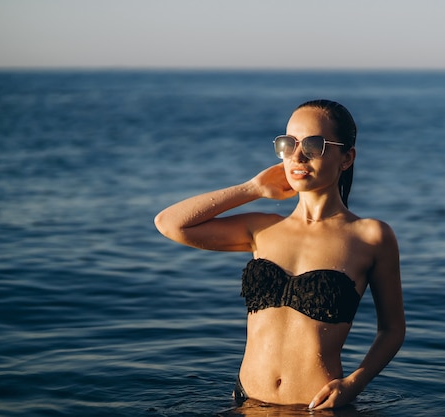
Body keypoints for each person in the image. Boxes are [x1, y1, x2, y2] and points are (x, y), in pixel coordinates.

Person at [154, 99, 405, 410]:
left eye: (314, 144)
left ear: (346, 158)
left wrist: (355, 383)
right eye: (289, 144)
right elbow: (169, 224)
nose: (297, 156)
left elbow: (392, 329)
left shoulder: (371, 236)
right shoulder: (261, 230)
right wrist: (254, 188)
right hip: (245, 403)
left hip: (316, 408)